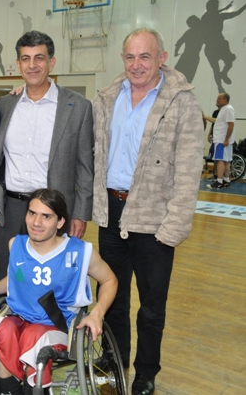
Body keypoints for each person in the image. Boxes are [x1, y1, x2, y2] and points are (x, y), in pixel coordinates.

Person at [92, 28, 203, 395]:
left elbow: (188, 171)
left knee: (152, 306)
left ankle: (146, 371)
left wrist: (172, 228)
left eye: (144, 57)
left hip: (155, 219)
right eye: (129, 57)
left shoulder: (182, 103)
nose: (136, 65)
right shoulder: (108, 98)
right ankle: (114, 358)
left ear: (162, 57)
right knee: (112, 295)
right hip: (111, 213)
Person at [0, 188, 117, 394]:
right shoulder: (15, 245)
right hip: (21, 318)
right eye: (32, 213)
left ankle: (34, 388)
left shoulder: (79, 251)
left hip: (58, 325)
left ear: (60, 222)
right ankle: (9, 390)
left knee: (35, 337)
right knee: (2, 329)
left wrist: (97, 314)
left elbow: (110, 280)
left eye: (46, 216)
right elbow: (17, 277)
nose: (36, 223)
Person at [0, 31, 94, 285]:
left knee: (53, 282)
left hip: (54, 210)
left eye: (39, 58)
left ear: (52, 62)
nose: (32, 65)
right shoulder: (5, 104)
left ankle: (52, 327)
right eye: (25, 59)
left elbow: (86, 168)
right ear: (18, 64)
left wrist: (80, 214)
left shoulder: (78, 106)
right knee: (7, 278)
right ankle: (4, 326)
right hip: (11, 210)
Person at [206, 92, 235, 189]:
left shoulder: (228, 109)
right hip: (221, 139)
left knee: (220, 160)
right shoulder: (224, 109)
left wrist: (226, 139)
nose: (217, 100)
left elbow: (231, 125)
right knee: (226, 161)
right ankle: (226, 180)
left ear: (225, 99)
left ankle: (219, 181)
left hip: (222, 140)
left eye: (219, 98)